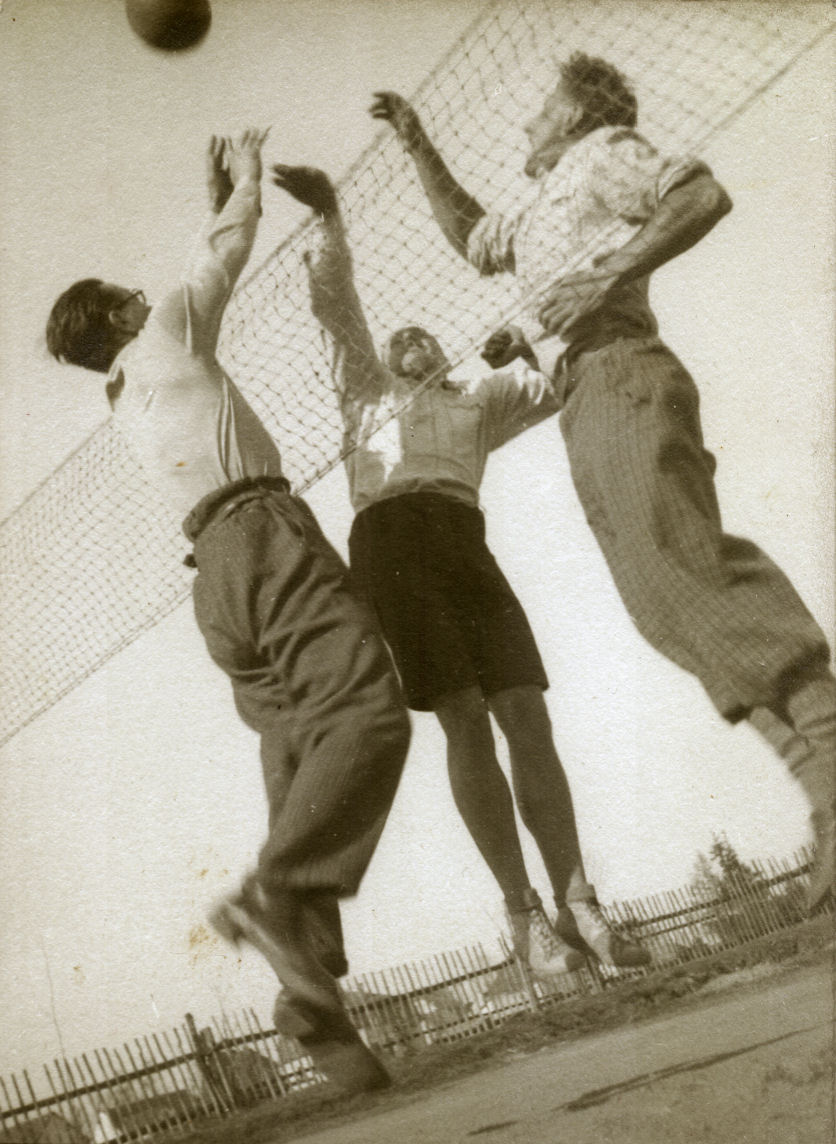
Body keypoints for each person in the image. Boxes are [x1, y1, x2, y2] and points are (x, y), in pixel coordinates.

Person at [370, 54, 836, 914]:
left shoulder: (603, 152)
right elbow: (472, 236)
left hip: (621, 368)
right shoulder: (539, 204)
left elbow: (700, 195)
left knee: (685, 571)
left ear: (578, 117)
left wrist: (609, 274)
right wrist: (417, 143)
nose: (526, 123)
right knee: (664, 607)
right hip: (585, 393)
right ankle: (823, 789)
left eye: (541, 108)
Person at [45, 129, 411, 1092]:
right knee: (369, 713)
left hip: (213, 578)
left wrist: (214, 204)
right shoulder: (160, 337)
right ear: (120, 313)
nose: (146, 293)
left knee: (297, 756)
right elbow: (223, 254)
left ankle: (310, 993)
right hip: (262, 534)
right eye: (132, 291)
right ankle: (277, 898)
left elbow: (194, 280)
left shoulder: (124, 390)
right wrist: (244, 180)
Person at [271, 163, 650, 973]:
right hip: (391, 543)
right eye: (397, 339)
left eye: (424, 336)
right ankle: (524, 917)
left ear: (443, 352)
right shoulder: (364, 391)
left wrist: (527, 343)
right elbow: (336, 308)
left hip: (462, 539)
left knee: (526, 712)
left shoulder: (477, 400)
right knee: (465, 717)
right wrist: (328, 218)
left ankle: (581, 903)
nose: (410, 340)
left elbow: (560, 378)